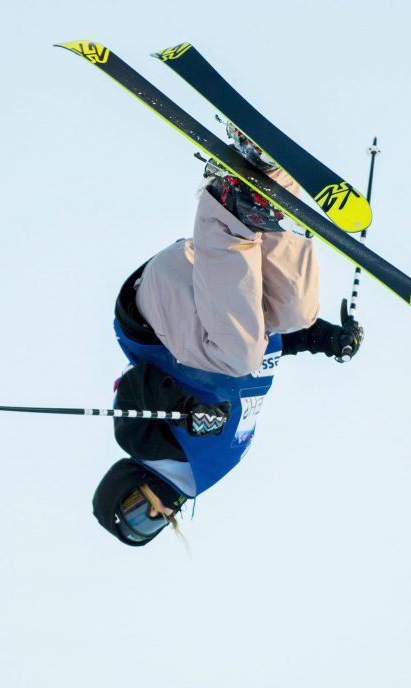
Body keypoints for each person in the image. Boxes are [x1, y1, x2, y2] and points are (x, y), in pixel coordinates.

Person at [93, 142, 365, 547]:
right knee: (294, 311)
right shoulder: (212, 465)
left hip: (154, 313)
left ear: (124, 484)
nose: (153, 512)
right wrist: (321, 338)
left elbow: (140, 386)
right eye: (149, 526)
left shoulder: (138, 441)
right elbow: (250, 356)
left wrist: (187, 410)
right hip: (204, 301)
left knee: (239, 353)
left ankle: (225, 208)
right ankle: (267, 176)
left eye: (134, 508)